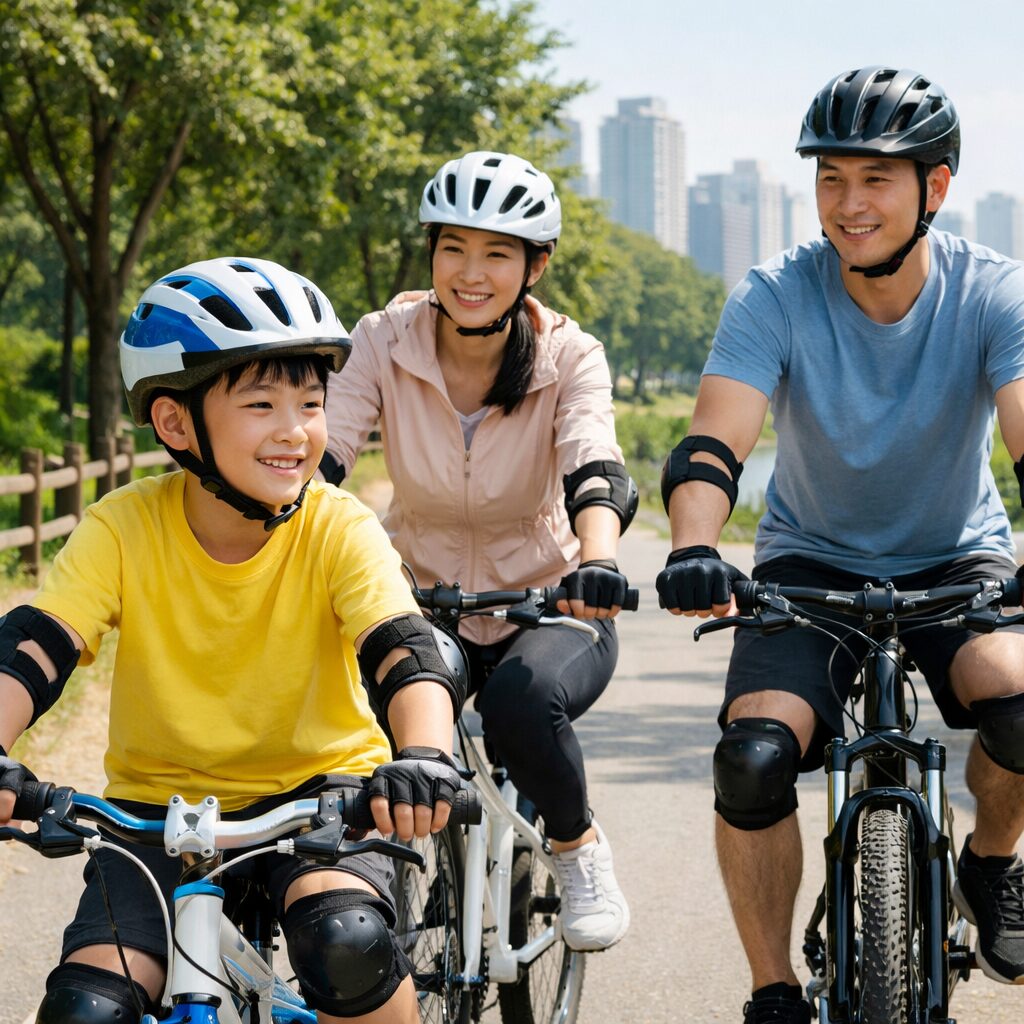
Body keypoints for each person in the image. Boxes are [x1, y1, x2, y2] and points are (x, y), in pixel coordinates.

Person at [0, 257, 469, 1024]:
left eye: (312, 402)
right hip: (155, 815)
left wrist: (422, 758)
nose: (295, 431)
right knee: (86, 1009)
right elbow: (35, 648)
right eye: (261, 404)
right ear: (176, 422)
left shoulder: (336, 524)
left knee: (347, 945)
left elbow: (403, 651)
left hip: (325, 805)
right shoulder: (122, 526)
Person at [655, 67, 1024, 1023]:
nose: (849, 205)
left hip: (956, 557)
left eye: (876, 180)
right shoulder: (775, 293)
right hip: (808, 562)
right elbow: (712, 442)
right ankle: (773, 988)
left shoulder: (994, 293)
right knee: (754, 760)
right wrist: (696, 543)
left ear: (933, 189)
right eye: (831, 180)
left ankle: (989, 865)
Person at [321, 151, 634, 952]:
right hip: (420, 597)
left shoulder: (569, 355)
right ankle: (375, 876)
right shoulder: (383, 339)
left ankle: (576, 846)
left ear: (535, 265)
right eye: (454, 246)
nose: (471, 272)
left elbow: (592, 461)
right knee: (374, 722)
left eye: (498, 253)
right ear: (430, 251)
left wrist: (595, 562)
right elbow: (323, 454)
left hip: (549, 599)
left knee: (523, 704)